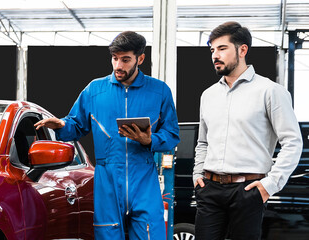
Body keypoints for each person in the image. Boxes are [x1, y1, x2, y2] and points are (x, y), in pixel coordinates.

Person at [35, 31, 179, 239]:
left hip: (144, 178)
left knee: (151, 234)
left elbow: (172, 134)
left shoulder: (159, 91)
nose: (118, 66)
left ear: (140, 59)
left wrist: (150, 140)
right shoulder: (94, 90)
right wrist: (61, 125)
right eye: (115, 58)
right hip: (107, 179)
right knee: (107, 234)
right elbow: (76, 125)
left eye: (125, 59)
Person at [193, 21, 303, 240]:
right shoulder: (208, 95)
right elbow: (203, 142)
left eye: (222, 48)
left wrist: (268, 186)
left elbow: (293, 142)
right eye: (212, 49)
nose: (215, 55)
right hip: (210, 190)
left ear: (242, 50)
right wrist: (198, 175)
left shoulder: (271, 91)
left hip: (248, 191)